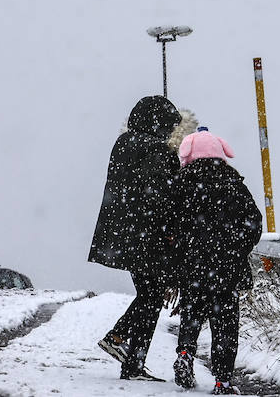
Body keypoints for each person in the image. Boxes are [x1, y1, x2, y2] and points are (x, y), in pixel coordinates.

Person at [88, 95, 182, 381]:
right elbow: (164, 197)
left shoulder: (123, 145)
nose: (171, 131)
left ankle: (123, 348)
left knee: (149, 295)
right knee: (152, 295)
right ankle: (126, 354)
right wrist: (171, 232)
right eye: (169, 125)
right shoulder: (158, 150)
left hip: (121, 234)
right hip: (147, 236)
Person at [170, 127, 263, 395]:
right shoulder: (234, 185)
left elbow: (169, 225)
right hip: (227, 269)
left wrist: (182, 251)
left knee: (192, 314)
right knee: (225, 325)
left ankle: (186, 352)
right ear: (221, 154)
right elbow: (254, 224)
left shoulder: (182, 186)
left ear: (188, 154)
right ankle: (222, 382)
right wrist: (238, 249)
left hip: (193, 266)